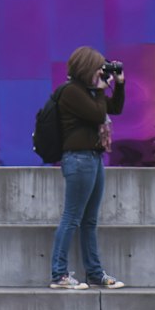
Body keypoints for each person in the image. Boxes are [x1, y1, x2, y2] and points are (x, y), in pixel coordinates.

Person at [49, 45, 126, 290]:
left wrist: (119, 84)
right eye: (97, 68)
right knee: (72, 217)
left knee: (89, 220)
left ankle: (94, 273)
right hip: (78, 159)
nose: (100, 72)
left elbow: (115, 109)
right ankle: (59, 274)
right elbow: (96, 115)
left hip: (93, 158)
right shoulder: (71, 92)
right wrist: (101, 91)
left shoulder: (91, 92)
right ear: (85, 68)